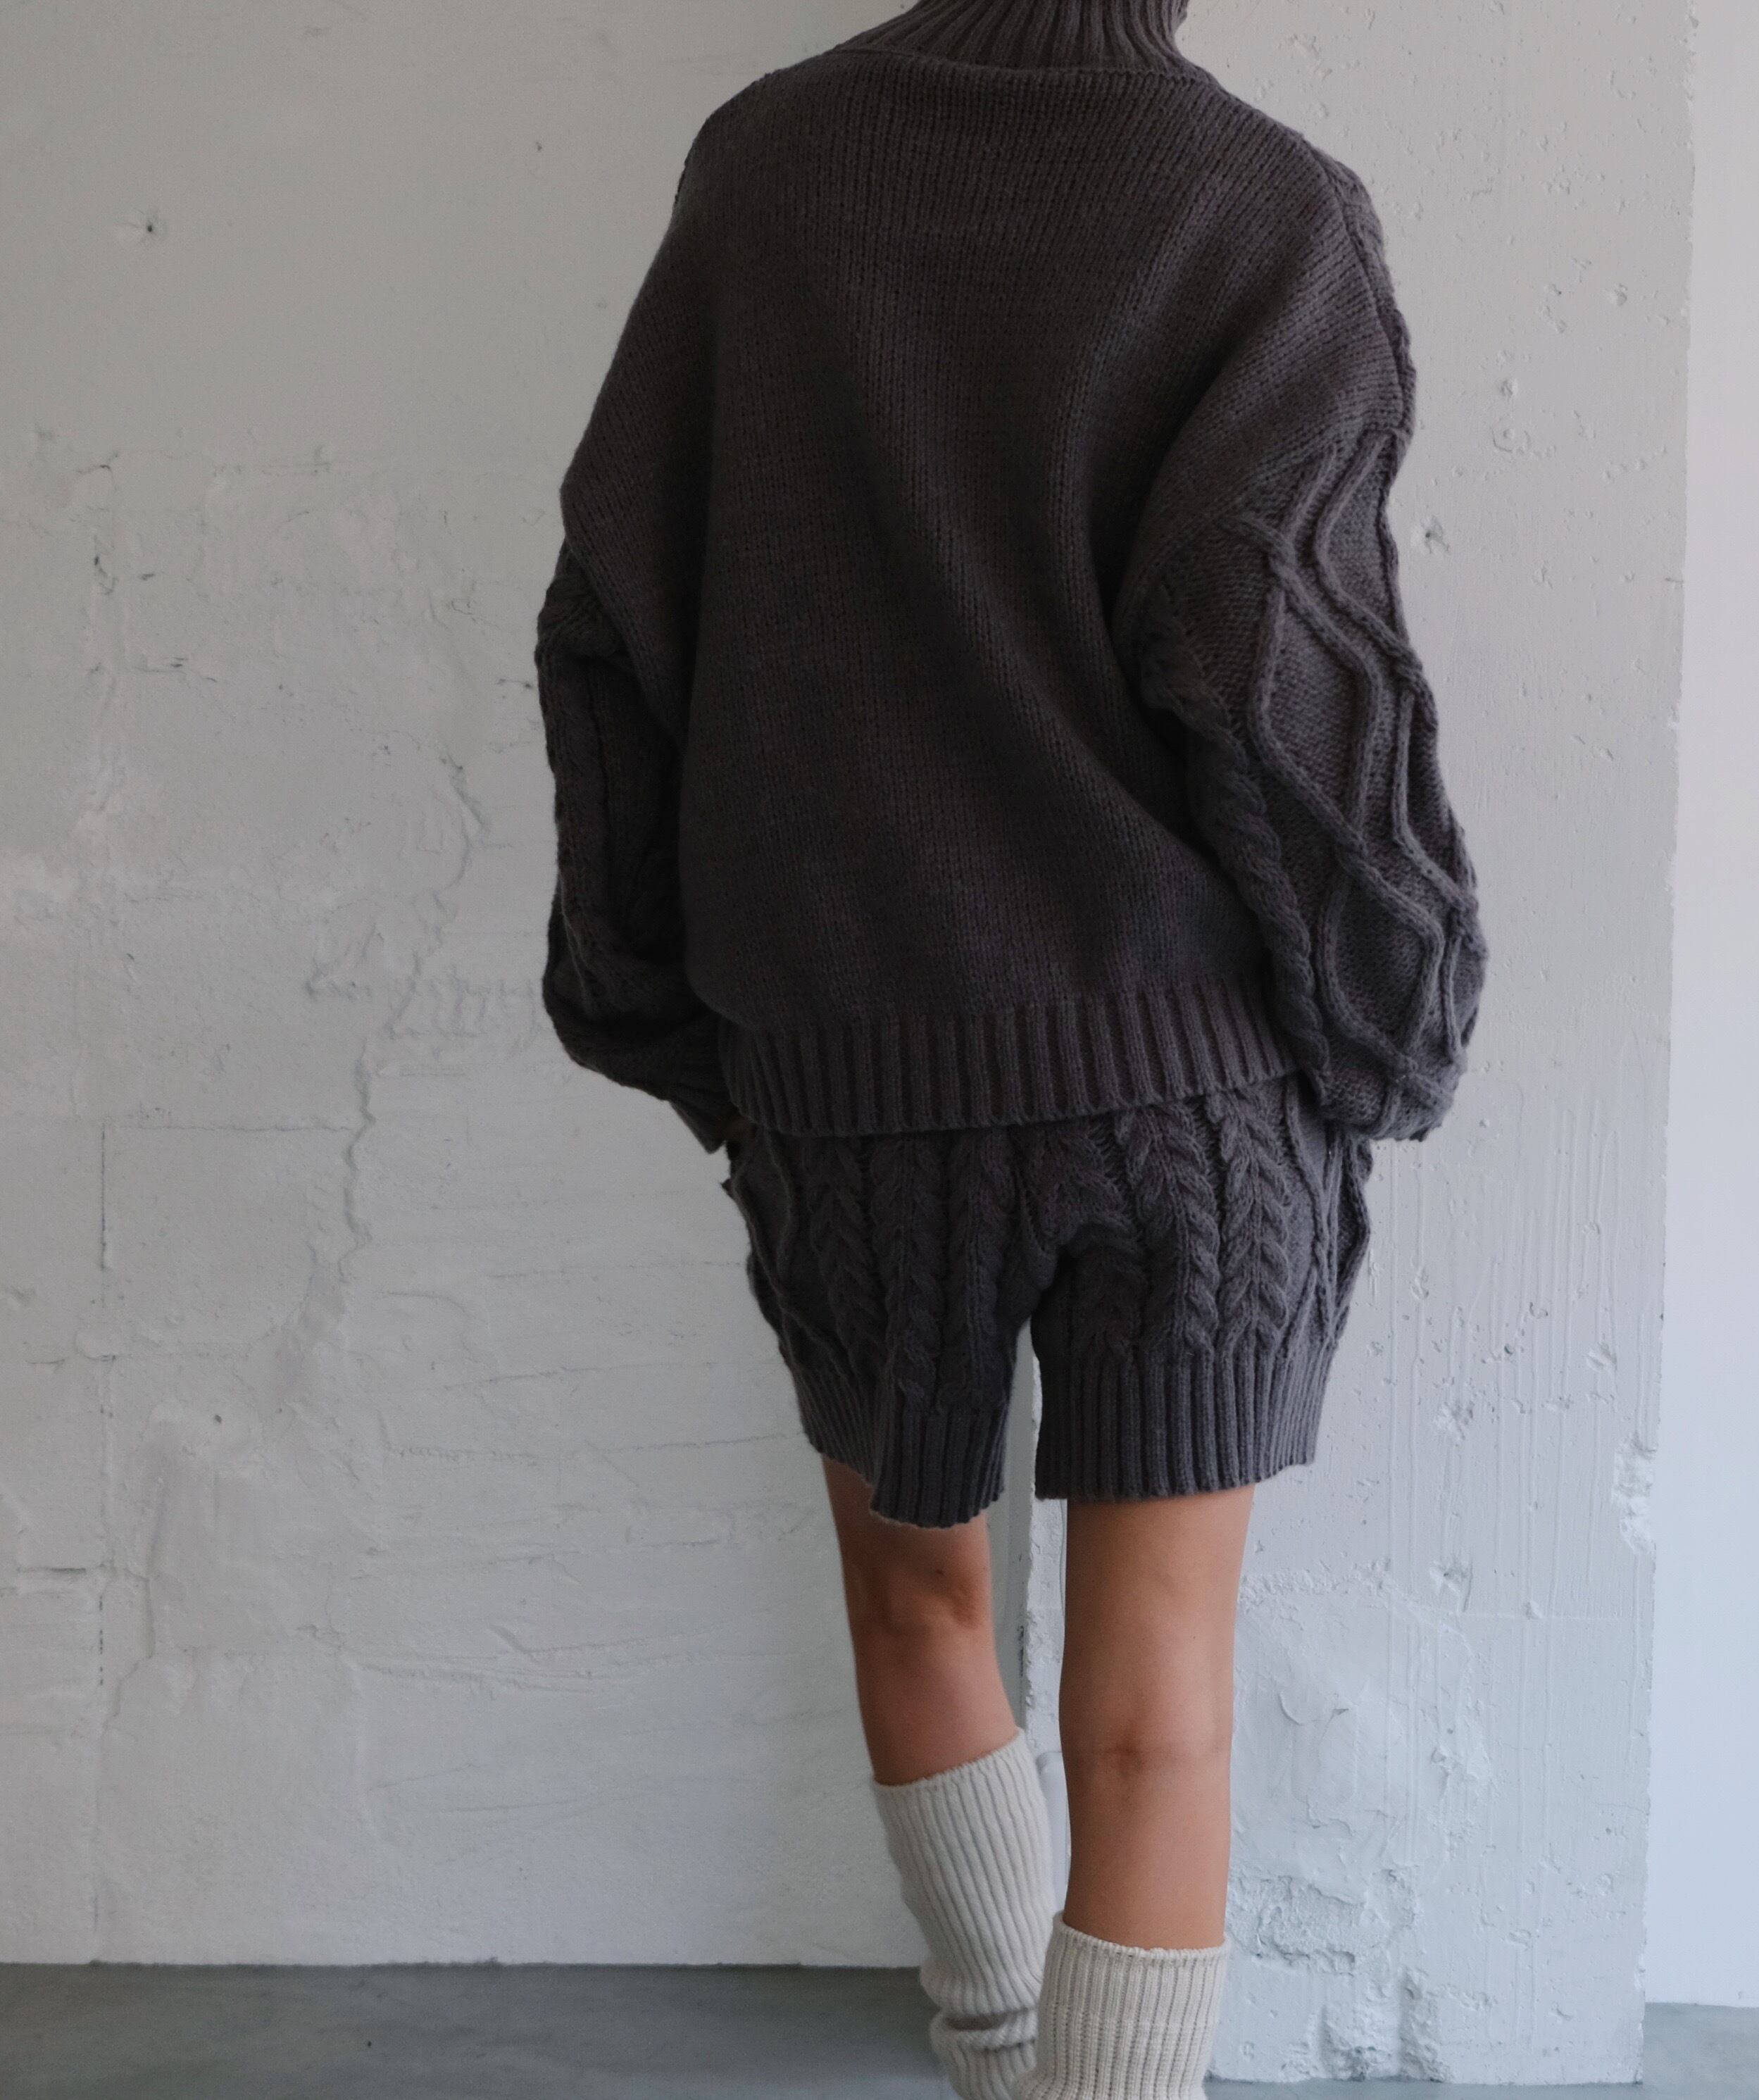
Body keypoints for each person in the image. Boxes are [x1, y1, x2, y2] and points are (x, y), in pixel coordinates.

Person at [530, 0, 1486, 2092]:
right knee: (1157, 1714)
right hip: (1189, 1089)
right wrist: (1393, 1014)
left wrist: (654, 992)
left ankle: (996, 2051)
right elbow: (1288, 671)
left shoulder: (770, 170)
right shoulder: (1262, 209)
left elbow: (614, 611)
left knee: (916, 1614)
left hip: (855, 1066)